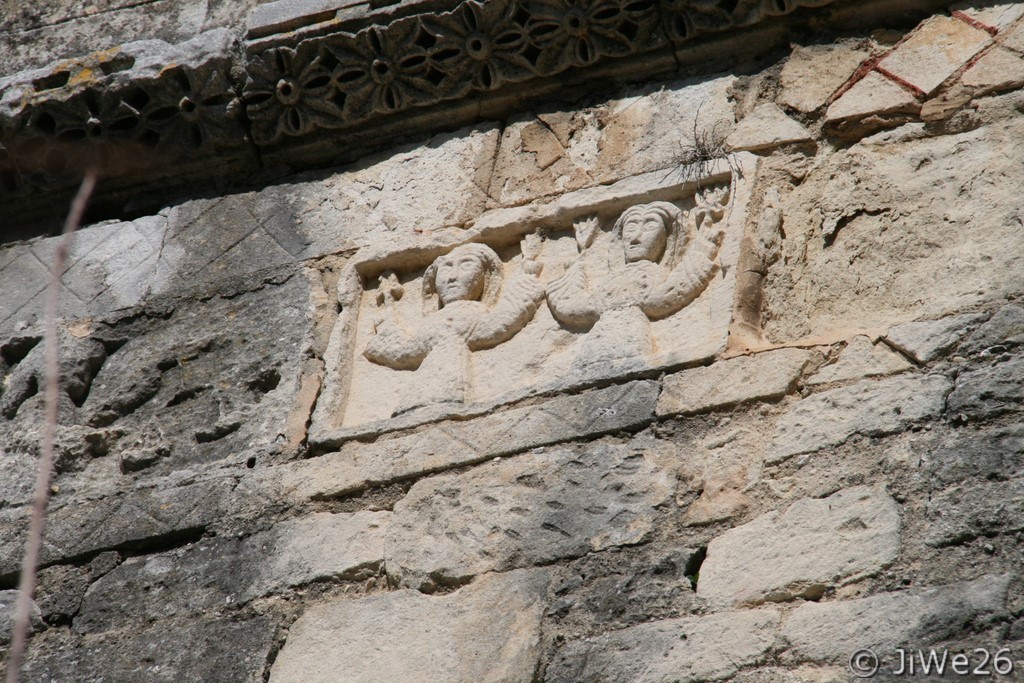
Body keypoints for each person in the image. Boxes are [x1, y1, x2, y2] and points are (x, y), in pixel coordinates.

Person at [546, 194, 726, 372]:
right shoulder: (612, 279)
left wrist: (706, 228)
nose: (636, 237)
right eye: (630, 227)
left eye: (649, 227)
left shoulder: (655, 275)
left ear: (668, 238)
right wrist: (576, 265)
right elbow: (578, 306)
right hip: (593, 349)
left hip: (634, 344)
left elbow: (678, 286)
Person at [364, 240, 544, 415]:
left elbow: (499, 323)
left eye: (466, 267)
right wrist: (387, 330)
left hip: (452, 388)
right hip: (422, 389)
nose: (452, 277)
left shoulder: (472, 312)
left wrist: (525, 278)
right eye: (446, 269)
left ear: (486, 278)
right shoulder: (434, 321)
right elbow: (409, 350)